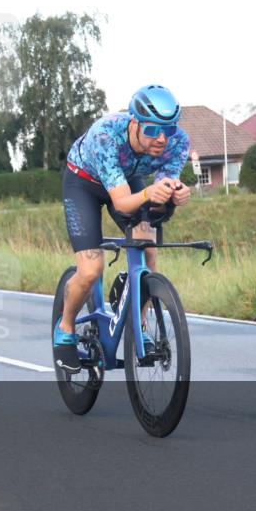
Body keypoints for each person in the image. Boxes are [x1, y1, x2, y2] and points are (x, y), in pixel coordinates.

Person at [54, 84, 192, 374]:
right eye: (153, 130)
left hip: (127, 179)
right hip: (83, 184)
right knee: (91, 269)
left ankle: (138, 323)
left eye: (169, 129)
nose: (162, 139)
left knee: (148, 250)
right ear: (134, 123)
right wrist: (149, 194)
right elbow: (122, 204)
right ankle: (65, 328)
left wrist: (173, 195)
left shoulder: (178, 142)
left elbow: (157, 204)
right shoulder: (106, 135)